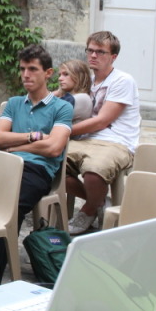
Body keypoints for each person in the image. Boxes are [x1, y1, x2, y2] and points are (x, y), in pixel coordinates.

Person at [0, 45, 72, 285]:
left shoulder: (62, 107)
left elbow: (54, 148)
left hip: (38, 170)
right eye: (22, 69)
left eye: (32, 69)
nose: (25, 75)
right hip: (7, 164)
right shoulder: (14, 103)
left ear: (48, 73)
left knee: (10, 204)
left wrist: (16, 146)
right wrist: (33, 137)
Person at [65, 30, 141, 235]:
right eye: (90, 50)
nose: (93, 55)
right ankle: (98, 201)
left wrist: (64, 131)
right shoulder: (87, 81)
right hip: (85, 140)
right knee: (50, 165)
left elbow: (102, 121)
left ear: (113, 57)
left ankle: (88, 209)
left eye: (100, 52)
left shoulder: (123, 80)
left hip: (116, 142)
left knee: (95, 169)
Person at [0, 57, 90, 149]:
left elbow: (48, 109)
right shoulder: (70, 96)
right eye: (60, 75)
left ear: (78, 76)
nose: (60, 78)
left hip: (35, 138)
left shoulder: (79, 99)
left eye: (66, 74)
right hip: (28, 134)